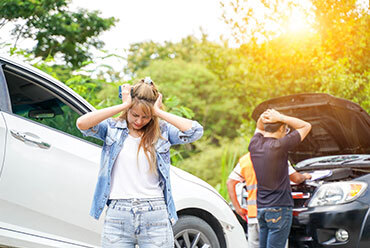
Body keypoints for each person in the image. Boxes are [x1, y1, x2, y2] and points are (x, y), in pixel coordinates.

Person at [76, 77, 203, 248]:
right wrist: (123, 105)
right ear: (128, 110)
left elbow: (195, 131)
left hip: (155, 214)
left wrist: (158, 112)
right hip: (118, 215)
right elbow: (82, 123)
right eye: (134, 114)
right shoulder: (112, 129)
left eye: (146, 117)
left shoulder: (163, 132)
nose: (139, 121)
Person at [248, 108, 311, 248]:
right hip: (280, 208)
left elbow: (259, 126)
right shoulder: (280, 146)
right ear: (282, 128)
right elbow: (306, 126)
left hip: (262, 208)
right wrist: (280, 117)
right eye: (286, 129)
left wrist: (266, 116)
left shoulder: (254, 145)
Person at [227, 153, 311, 248]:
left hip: (253, 215)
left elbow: (230, 182)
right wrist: (305, 176)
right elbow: (296, 179)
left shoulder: (246, 159)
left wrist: (238, 208)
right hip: (276, 211)